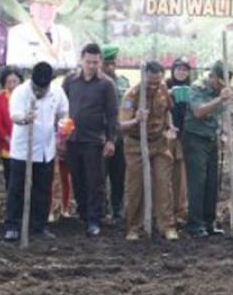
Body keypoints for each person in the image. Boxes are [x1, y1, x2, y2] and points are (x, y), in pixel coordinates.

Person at [3, 62, 69, 241]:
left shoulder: (57, 91)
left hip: (46, 149)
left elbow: (63, 113)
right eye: (37, 88)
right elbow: (14, 115)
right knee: (17, 189)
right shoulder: (21, 92)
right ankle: (12, 225)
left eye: (43, 88)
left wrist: (63, 126)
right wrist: (25, 118)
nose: (40, 91)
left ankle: (39, 225)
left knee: (43, 190)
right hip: (23, 150)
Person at [62, 43, 118, 237]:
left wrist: (111, 140)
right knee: (77, 179)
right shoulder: (70, 81)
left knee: (95, 181)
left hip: (94, 140)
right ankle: (83, 215)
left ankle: (95, 219)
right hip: (72, 138)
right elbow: (62, 107)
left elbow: (112, 114)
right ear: (81, 60)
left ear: (100, 61)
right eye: (88, 62)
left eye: (95, 62)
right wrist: (60, 133)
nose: (92, 66)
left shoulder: (107, 84)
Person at [119, 61, 178, 241]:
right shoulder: (132, 95)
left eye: (157, 81)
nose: (154, 85)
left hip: (159, 143)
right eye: (151, 82)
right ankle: (134, 227)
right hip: (136, 144)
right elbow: (122, 125)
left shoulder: (163, 90)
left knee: (163, 184)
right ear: (143, 77)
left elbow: (168, 110)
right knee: (135, 187)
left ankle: (167, 226)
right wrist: (136, 120)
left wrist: (170, 126)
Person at [182, 61, 232, 238]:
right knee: (198, 183)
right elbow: (198, 112)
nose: (221, 87)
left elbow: (224, 114)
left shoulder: (222, 91)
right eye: (219, 83)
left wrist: (225, 133)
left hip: (211, 139)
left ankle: (209, 222)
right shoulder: (198, 87)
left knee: (212, 182)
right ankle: (195, 224)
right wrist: (220, 99)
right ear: (212, 76)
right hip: (195, 139)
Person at [6, 0, 76, 69]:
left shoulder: (65, 32)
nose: (46, 10)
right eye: (41, 5)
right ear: (31, 7)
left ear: (57, 8)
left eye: (50, 4)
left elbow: (72, 65)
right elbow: (15, 68)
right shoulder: (18, 33)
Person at [102, 45, 129, 220]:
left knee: (119, 174)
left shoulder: (123, 82)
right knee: (99, 175)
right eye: (107, 64)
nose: (110, 67)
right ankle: (102, 209)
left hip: (120, 134)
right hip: (101, 135)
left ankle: (117, 208)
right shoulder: (97, 83)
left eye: (113, 63)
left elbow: (129, 105)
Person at [166, 57, 192, 225]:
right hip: (167, 134)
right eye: (178, 69)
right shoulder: (164, 86)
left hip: (184, 134)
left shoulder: (193, 88)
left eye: (185, 69)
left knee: (180, 174)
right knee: (165, 170)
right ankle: (164, 209)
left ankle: (180, 209)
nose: (181, 72)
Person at [0, 66, 23, 191]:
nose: (12, 85)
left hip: (24, 144)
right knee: (10, 177)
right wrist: (7, 138)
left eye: (15, 81)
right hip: (7, 145)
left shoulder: (26, 98)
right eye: (9, 82)